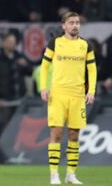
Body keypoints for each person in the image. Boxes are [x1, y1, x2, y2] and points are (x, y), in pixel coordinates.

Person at [40, 12, 97, 185]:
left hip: (77, 96)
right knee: (56, 133)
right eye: (71, 22)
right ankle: (54, 174)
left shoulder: (86, 45)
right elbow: (44, 66)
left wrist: (91, 91)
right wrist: (44, 87)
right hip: (57, 95)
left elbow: (92, 70)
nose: (75, 25)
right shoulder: (55, 43)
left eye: (77, 22)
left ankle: (71, 174)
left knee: (74, 135)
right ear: (63, 25)